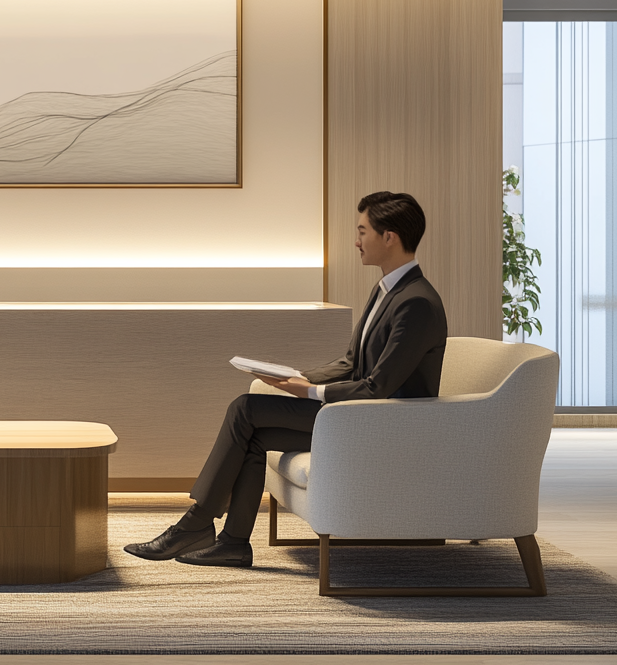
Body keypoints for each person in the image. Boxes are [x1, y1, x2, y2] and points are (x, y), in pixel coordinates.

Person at [124, 191, 448, 568]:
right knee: (255, 434)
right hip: (357, 415)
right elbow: (351, 362)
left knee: (245, 409)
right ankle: (232, 542)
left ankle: (196, 523)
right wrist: (294, 375)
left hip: (377, 424)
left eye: (362, 231)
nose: (356, 241)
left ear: (389, 237)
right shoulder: (387, 291)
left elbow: (379, 386)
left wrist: (310, 391)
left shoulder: (417, 302)